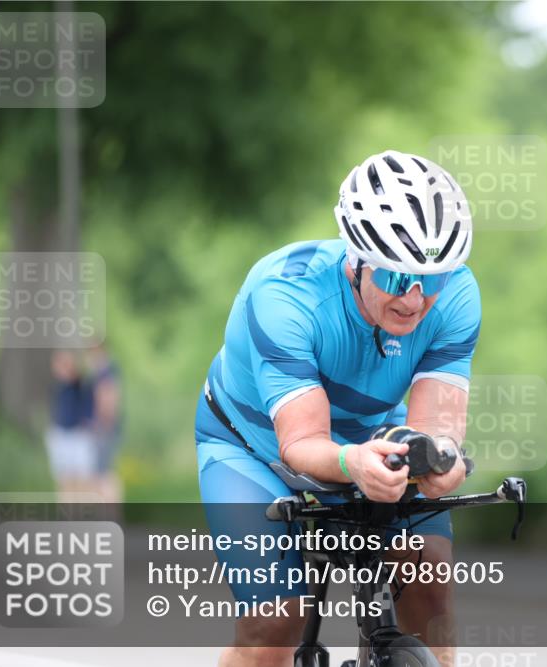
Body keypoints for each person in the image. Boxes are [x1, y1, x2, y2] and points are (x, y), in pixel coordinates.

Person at [196, 150, 478, 667]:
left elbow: (438, 426)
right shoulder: (284, 294)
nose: (415, 299)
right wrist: (352, 464)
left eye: (431, 280)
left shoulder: (457, 294)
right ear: (357, 259)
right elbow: (302, 443)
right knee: (276, 618)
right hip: (251, 446)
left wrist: (443, 460)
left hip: (374, 435)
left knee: (430, 584)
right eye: (396, 279)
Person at [46, 350, 98, 497]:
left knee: (83, 478)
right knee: (63, 478)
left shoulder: (80, 384)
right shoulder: (56, 386)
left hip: (79, 435)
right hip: (60, 434)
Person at [86, 343, 123, 502]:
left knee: (103, 474)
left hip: (103, 428)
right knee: (101, 472)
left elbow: (109, 400)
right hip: (104, 427)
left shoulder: (105, 373)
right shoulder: (104, 373)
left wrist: (102, 423)